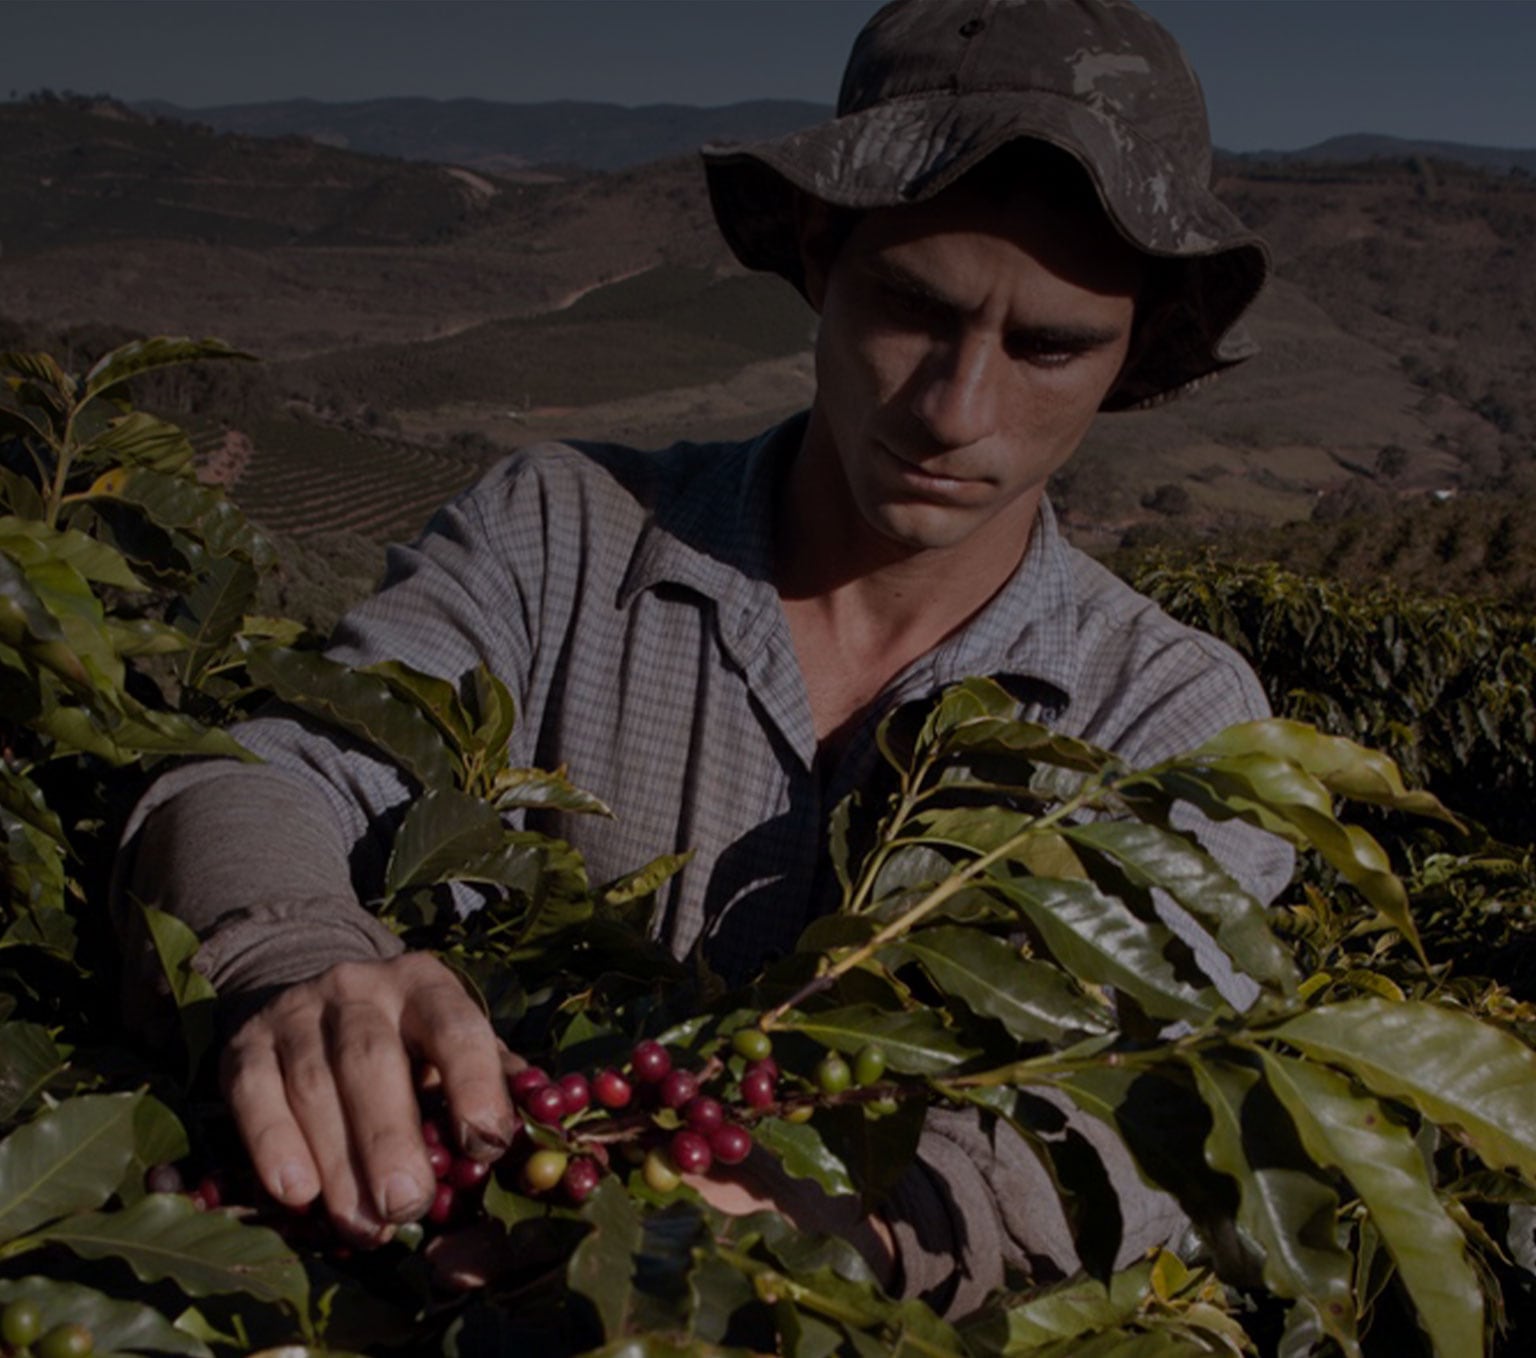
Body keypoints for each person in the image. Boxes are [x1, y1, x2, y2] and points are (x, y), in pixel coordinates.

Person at [121, 0, 1292, 1316]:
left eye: (1050, 345)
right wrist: (295, 963)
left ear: (1135, 348)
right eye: (913, 308)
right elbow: (270, 772)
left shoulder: (1171, 720)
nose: (962, 412)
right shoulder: (560, 536)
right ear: (818, 248)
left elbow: (1136, 1117)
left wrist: (839, 1218)